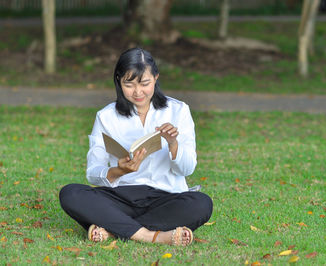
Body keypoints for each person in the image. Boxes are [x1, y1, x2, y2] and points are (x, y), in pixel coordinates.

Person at [59, 47, 213, 246]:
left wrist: (173, 144)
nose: (138, 92)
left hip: (166, 197)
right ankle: (151, 236)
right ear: (118, 81)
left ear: (156, 78)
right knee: (71, 193)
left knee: (201, 204)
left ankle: (114, 230)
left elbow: (187, 168)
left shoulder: (179, 111)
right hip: (122, 197)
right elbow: (92, 172)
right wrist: (118, 170)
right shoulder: (105, 116)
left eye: (145, 83)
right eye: (129, 84)